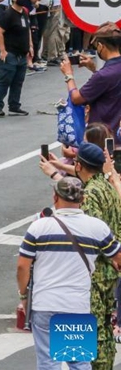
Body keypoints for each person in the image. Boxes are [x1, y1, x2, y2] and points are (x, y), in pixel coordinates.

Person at [17, 177, 121, 370]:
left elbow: (23, 266)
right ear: (82, 199)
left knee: (48, 364)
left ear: (55, 197)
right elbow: (118, 257)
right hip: (76, 305)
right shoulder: (97, 228)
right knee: (79, 363)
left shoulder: (39, 227)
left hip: (45, 303)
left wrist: (24, 295)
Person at [40, 143, 121, 369]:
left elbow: (90, 232)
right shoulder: (107, 187)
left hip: (94, 271)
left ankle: (95, 366)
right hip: (110, 266)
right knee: (104, 324)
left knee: (90, 327)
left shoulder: (91, 193)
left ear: (79, 165)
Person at [60, 23, 121, 143]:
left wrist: (69, 75)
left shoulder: (103, 75)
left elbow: (76, 98)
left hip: (102, 137)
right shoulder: (108, 72)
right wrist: (93, 68)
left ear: (100, 46)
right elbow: (111, 83)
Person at [0, 0, 33, 117]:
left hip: (21, 54)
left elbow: (27, 30)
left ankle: (14, 106)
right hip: (10, 53)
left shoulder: (24, 13)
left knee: (18, 82)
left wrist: (30, 46)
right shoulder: (8, 14)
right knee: (5, 80)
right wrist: (3, 50)